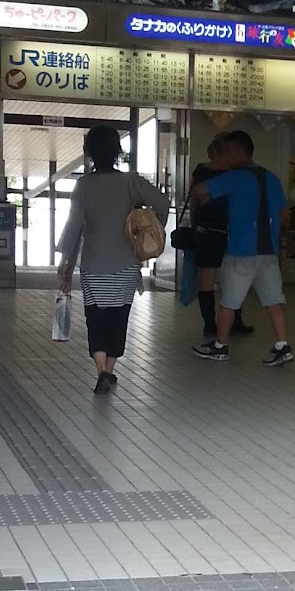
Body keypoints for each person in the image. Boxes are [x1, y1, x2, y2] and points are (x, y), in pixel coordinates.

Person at [56, 124, 169, 396]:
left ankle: (101, 371)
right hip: (126, 265)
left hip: (93, 265)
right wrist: (148, 231)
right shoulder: (132, 182)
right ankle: (110, 369)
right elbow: (163, 204)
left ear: (89, 152)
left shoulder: (84, 185)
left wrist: (66, 260)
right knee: (119, 318)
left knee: (95, 318)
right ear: (118, 151)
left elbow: (75, 224)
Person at [190, 130, 293, 365]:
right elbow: (284, 213)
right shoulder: (271, 178)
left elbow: (200, 190)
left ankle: (220, 345)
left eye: (227, 153)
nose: (225, 157)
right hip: (268, 252)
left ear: (237, 151)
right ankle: (282, 345)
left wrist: (215, 167)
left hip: (240, 251)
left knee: (229, 301)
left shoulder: (234, 177)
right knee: (273, 300)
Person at [186, 135, 250, 344]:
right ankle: (234, 321)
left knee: (207, 276)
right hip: (231, 230)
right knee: (232, 276)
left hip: (207, 229)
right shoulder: (235, 173)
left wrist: (195, 226)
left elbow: (195, 202)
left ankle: (210, 324)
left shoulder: (202, 171)